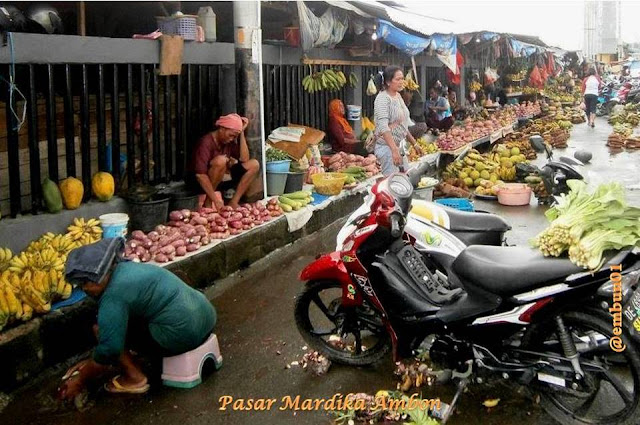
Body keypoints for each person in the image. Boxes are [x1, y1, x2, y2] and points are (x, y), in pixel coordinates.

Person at [58, 238, 217, 399]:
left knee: (102, 331)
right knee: (119, 328)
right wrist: (94, 360)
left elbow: (110, 348)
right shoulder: (128, 268)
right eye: (82, 284)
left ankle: (135, 378)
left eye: (88, 282)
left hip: (184, 334)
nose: (86, 289)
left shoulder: (114, 295)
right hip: (207, 317)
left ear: (103, 274)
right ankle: (134, 359)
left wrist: (80, 379)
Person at [186, 113, 261, 210]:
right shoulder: (206, 142)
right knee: (220, 161)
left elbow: (244, 159)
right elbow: (200, 175)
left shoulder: (229, 142)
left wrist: (241, 133)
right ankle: (208, 202)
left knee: (254, 164)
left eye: (234, 137)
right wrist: (216, 201)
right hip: (203, 182)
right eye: (230, 135)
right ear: (222, 128)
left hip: (223, 178)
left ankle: (234, 202)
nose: (231, 139)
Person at [373, 66, 422, 176]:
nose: (401, 82)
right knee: (392, 183)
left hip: (398, 147)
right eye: (398, 79)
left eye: (402, 79)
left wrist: (414, 144)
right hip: (387, 148)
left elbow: (402, 124)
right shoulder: (382, 99)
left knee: (404, 179)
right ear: (388, 82)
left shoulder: (398, 96)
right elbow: (383, 127)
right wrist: (394, 150)